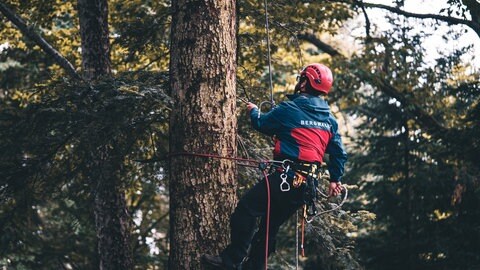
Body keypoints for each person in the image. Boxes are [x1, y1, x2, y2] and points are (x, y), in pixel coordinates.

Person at [202, 63, 348, 270]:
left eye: (302, 79)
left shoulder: (289, 109)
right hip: (306, 187)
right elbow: (339, 153)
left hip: (285, 179)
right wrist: (335, 179)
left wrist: (253, 111)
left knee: (246, 211)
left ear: (305, 82)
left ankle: (231, 260)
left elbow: (261, 124)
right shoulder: (330, 121)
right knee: (270, 228)